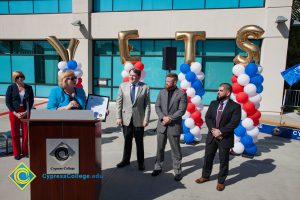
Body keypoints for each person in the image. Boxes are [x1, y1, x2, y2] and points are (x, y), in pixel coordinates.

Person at [195, 83, 241, 191]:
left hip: (225, 138)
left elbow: (234, 123)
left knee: (223, 160)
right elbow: (208, 118)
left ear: (228, 93)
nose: (218, 92)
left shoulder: (235, 107)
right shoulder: (213, 103)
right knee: (208, 158)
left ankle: (221, 181)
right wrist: (213, 130)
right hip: (212, 136)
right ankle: (205, 176)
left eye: (221, 90)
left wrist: (220, 132)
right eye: (218, 90)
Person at [151, 73, 187, 181]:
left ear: (175, 82)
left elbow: (181, 110)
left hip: (174, 126)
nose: (166, 83)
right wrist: (163, 118)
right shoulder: (161, 92)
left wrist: (169, 118)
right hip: (162, 125)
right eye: (166, 81)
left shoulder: (181, 94)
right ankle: (157, 167)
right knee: (160, 149)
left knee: (175, 150)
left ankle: (177, 171)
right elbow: (157, 106)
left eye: (168, 81)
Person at [116, 68, 150, 171]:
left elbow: (147, 105)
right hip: (126, 118)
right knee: (127, 141)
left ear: (139, 77)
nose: (131, 77)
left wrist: (146, 119)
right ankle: (125, 160)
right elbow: (119, 102)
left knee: (139, 142)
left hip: (139, 119)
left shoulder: (145, 87)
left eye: (134, 76)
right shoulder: (123, 86)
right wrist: (118, 117)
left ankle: (141, 163)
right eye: (130, 75)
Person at [5, 71, 34, 160]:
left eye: (21, 76)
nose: (20, 78)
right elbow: (8, 102)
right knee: (15, 133)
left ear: (23, 77)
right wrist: (15, 113)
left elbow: (31, 101)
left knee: (26, 133)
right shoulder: (11, 88)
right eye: (17, 77)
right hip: (14, 112)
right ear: (15, 79)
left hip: (25, 112)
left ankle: (25, 152)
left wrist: (26, 112)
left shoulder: (29, 87)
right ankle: (17, 153)